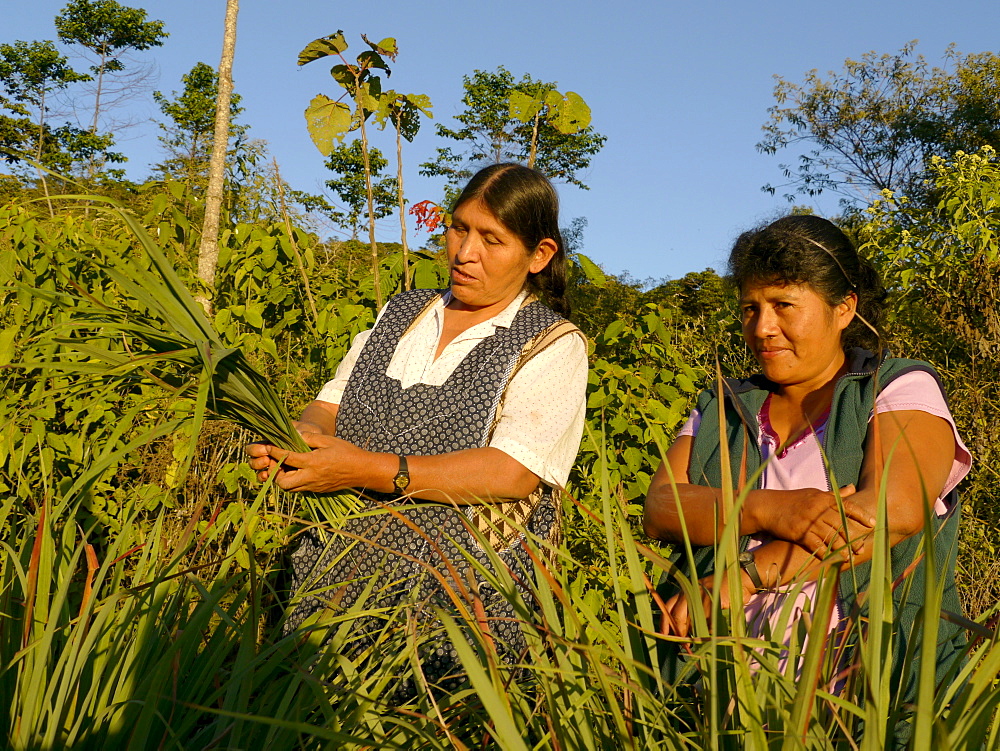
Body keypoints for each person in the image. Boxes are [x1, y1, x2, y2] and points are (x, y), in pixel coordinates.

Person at [245, 163, 588, 696]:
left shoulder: (551, 344)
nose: (464, 252)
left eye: (491, 239)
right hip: (337, 564)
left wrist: (366, 470)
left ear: (539, 255)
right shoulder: (403, 312)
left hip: (459, 595)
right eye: (458, 228)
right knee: (308, 708)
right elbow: (331, 403)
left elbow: (512, 471)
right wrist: (295, 440)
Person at [643, 215, 969, 739]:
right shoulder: (723, 405)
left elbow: (893, 511)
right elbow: (661, 508)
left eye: (783, 306)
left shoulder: (896, 388)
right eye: (750, 308)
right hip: (718, 701)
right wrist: (774, 510)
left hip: (867, 698)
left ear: (844, 309)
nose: (762, 328)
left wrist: (744, 574)